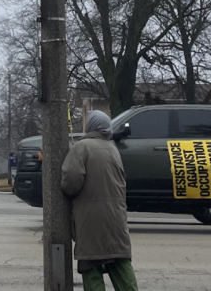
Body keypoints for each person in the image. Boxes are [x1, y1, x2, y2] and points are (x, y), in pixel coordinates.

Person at [61, 111, 137, 291]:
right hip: (116, 218)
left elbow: (71, 183)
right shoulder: (113, 149)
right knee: (119, 262)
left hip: (91, 221)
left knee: (91, 267)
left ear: (92, 126)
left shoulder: (82, 147)